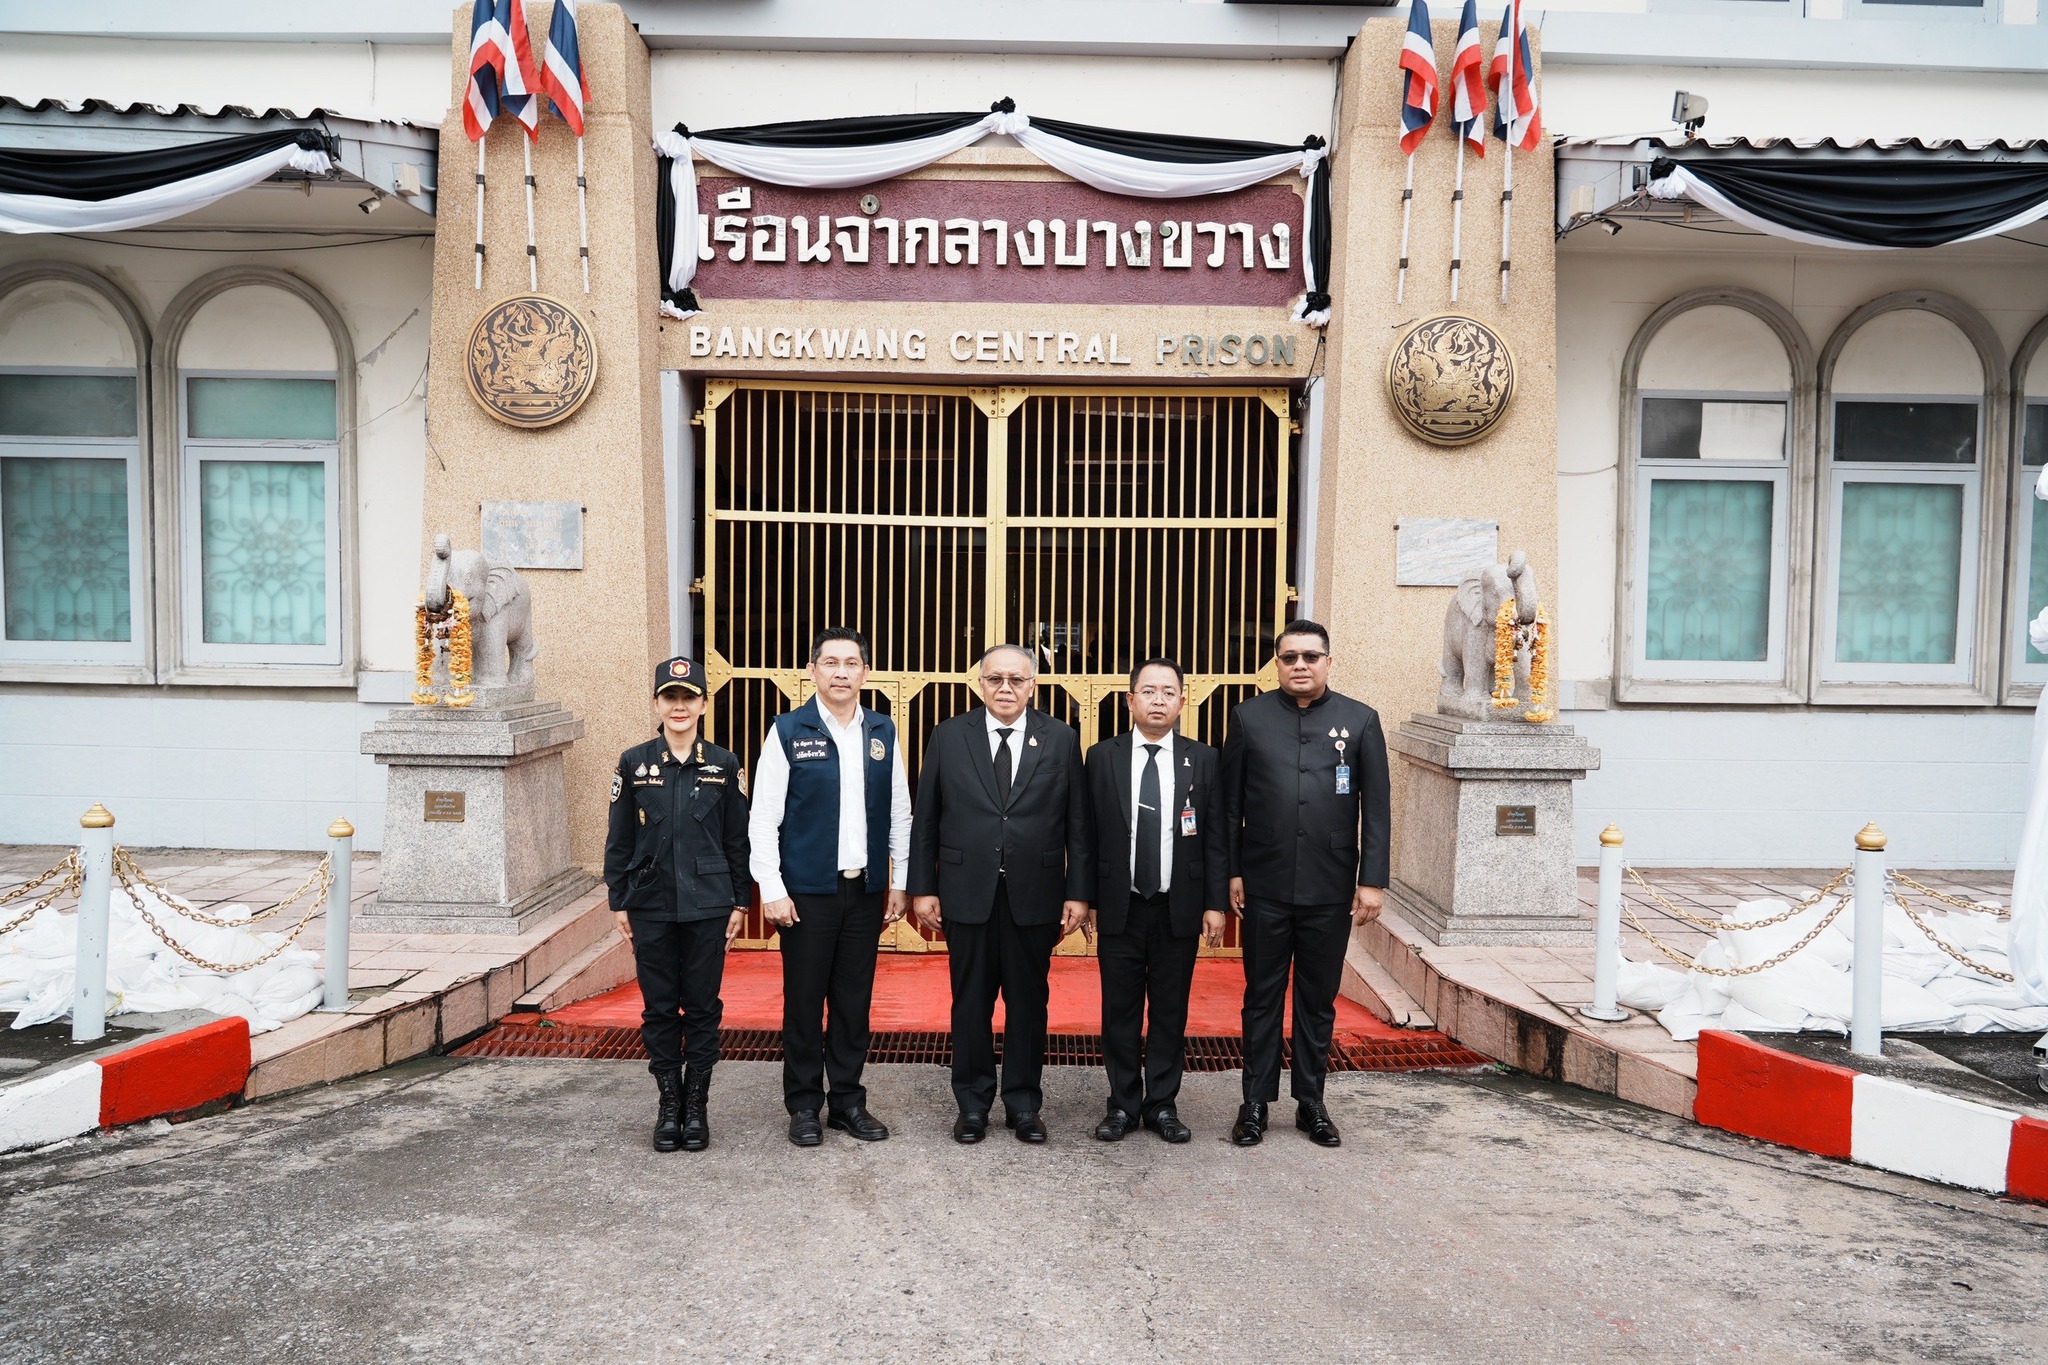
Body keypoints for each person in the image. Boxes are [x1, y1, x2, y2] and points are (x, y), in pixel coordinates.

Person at [908, 644, 1092, 1144]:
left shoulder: (1060, 738)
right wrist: (922, 887)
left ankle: (1024, 1105)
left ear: (1033, 685)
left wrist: (1078, 891)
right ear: (980, 683)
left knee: (1028, 1003)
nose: (1005, 688)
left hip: (1036, 894)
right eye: (995, 679)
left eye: (1016, 679)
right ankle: (972, 1105)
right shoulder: (949, 735)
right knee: (970, 1002)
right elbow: (926, 818)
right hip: (966, 892)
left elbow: (1077, 822)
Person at [1221, 621, 1390, 1149]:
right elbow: (1229, 804)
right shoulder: (1248, 717)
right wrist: (1232, 870)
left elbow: (1376, 808)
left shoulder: (1360, 720)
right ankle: (1254, 1101)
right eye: (1290, 656)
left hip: (1330, 886)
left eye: (1310, 656)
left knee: (1317, 1000)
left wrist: (1372, 881)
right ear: (1276, 663)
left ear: (1328, 662)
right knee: (1262, 996)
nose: (1300, 665)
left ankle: (1311, 1101)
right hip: (1264, 883)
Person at [749, 627, 912, 1147]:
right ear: (813, 670)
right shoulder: (788, 730)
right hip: (806, 894)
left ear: (866, 671)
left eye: (851, 663)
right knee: (803, 1002)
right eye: (831, 663)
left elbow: (900, 811)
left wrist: (900, 880)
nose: (841, 672)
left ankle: (847, 1102)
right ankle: (803, 1104)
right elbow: (764, 817)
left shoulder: (882, 730)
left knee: (852, 1002)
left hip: (863, 892)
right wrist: (771, 888)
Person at [603, 657, 751, 1153]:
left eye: (689, 697)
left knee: (704, 1007)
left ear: (704, 704)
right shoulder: (634, 762)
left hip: (709, 904)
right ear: (657, 703)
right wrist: (618, 899)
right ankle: (670, 1105)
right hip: (650, 902)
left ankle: (697, 1106)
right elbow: (619, 839)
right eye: (671, 697)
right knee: (660, 1007)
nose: (680, 706)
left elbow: (737, 839)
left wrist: (740, 901)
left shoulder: (725, 764)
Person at [1082, 657, 1227, 1144]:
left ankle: (1162, 1104)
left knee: (1170, 1010)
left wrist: (1214, 903)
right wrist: (1086, 897)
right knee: (1119, 1012)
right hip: (1119, 905)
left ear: (1182, 701)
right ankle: (1122, 1105)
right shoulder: (1102, 757)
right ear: (1130, 700)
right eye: (1148, 691)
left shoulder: (1202, 758)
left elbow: (1215, 836)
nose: (1158, 700)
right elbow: (1086, 834)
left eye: (1168, 692)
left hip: (1176, 905)